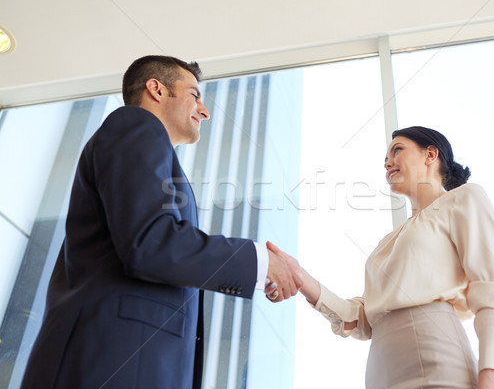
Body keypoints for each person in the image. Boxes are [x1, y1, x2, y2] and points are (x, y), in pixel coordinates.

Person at [20, 55, 302, 389]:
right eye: (194, 95)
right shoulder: (134, 126)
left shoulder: (152, 154)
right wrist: (259, 262)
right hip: (107, 364)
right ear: (156, 89)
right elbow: (151, 241)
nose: (205, 110)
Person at [266, 126, 494, 389]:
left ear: (430, 154)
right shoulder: (388, 241)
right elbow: (361, 317)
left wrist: (492, 376)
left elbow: (492, 292)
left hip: (436, 362)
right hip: (381, 374)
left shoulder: (464, 199)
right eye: (386, 157)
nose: (387, 163)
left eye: (397, 150)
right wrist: (299, 276)